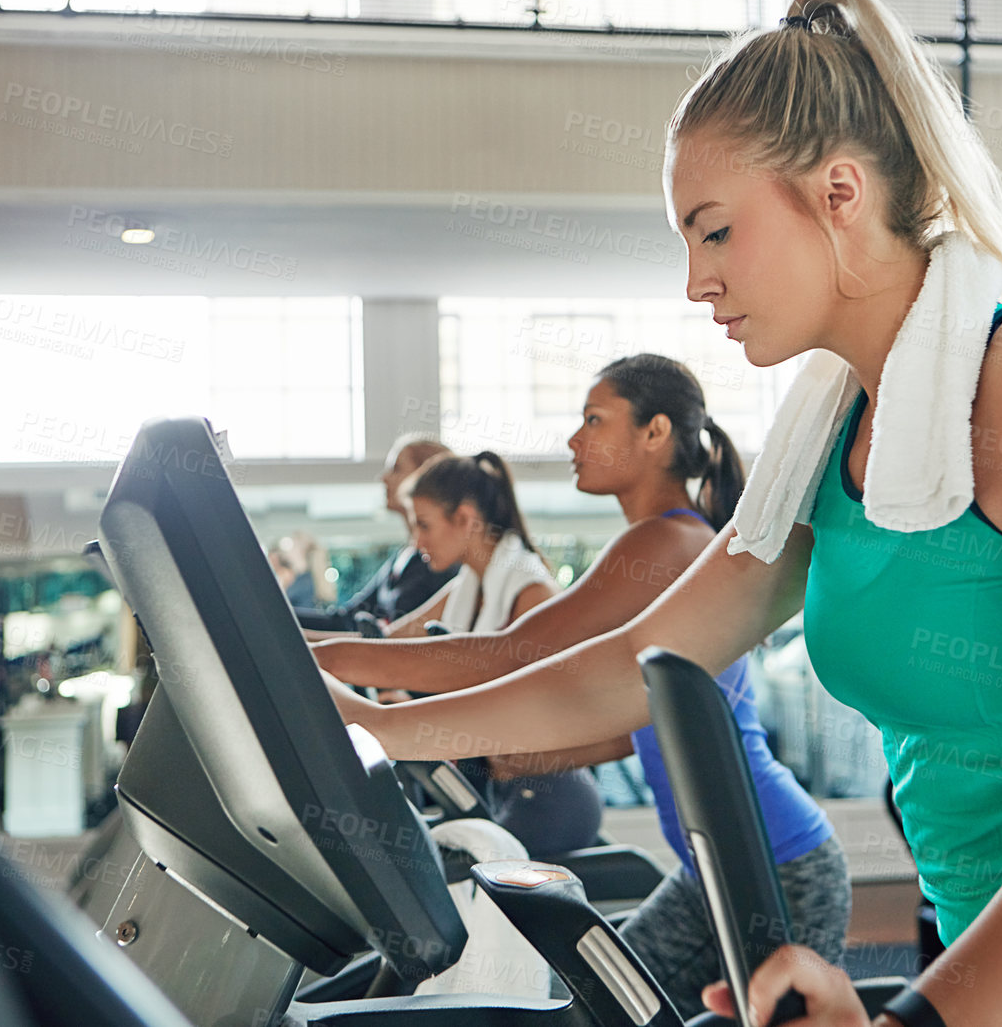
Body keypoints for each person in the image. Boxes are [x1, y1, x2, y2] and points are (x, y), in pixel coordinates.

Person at [323, 0, 1002, 1027]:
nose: (693, 280)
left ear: (838, 193)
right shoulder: (827, 445)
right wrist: (368, 728)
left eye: (715, 231)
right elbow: (625, 670)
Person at [314, 353, 852, 1018]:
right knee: (597, 1004)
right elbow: (642, 722)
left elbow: (512, 652)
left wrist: (332, 665)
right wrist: (529, 749)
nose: (574, 440)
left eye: (594, 420)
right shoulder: (663, 543)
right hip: (714, 865)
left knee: (602, 1008)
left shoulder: (662, 544)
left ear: (655, 434)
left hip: (775, 863)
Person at [383, 448, 603, 858]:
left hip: (552, 795)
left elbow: (530, 702)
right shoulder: (471, 584)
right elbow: (394, 643)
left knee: (465, 881)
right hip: (500, 787)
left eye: (425, 525)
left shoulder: (531, 591)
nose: (417, 541)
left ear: (465, 519)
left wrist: (414, 703)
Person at [295, 434, 459, 635]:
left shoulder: (441, 561)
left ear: (424, 476)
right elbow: (347, 618)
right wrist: (280, 613)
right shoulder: (403, 555)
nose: (383, 478)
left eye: (396, 469)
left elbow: (397, 642)